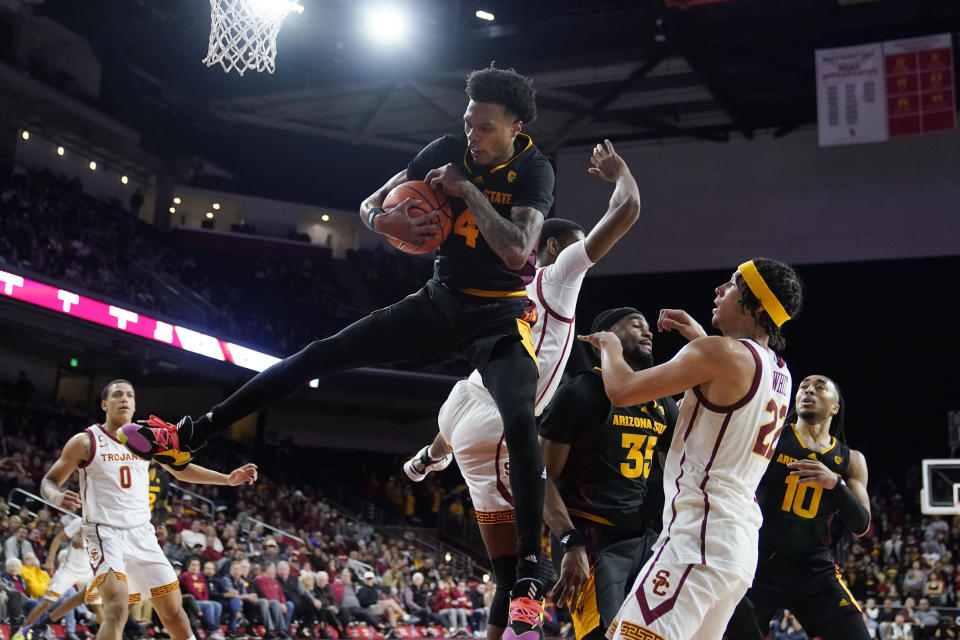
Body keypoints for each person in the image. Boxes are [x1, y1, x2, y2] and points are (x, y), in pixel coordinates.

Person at [121, 64, 555, 640]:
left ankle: (528, 572)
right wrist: (392, 220)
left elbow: (516, 249)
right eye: (469, 122)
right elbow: (370, 203)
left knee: (519, 419)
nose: (472, 134)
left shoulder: (534, 168)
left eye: (485, 127)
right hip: (439, 299)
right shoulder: (447, 148)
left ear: (515, 126)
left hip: (499, 314)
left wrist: (467, 190)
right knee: (316, 355)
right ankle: (191, 433)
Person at [403, 139, 642, 639]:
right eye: (576, 246)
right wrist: (620, 174)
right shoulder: (557, 275)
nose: (584, 257)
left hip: (461, 405)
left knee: (503, 569)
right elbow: (626, 211)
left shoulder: (506, 285)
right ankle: (552, 571)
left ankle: (427, 459)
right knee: (518, 573)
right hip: (494, 423)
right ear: (554, 247)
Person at [580, 258, 803, 639]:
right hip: (735, 548)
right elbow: (721, 393)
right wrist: (700, 339)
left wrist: (610, 345)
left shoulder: (720, 354)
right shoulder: (780, 370)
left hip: (697, 541)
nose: (718, 290)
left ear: (757, 305)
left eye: (732, 284)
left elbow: (622, 390)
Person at [39, 379, 258, 640]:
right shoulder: (85, 441)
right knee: (117, 609)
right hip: (104, 533)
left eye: (130, 395)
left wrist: (226, 479)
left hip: (142, 534)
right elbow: (48, 481)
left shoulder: (145, 437)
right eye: (117, 395)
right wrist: (55, 496)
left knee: (175, 614)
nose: (124, 399)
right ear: (104, 404)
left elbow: (180, 468)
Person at [539, 308, 677, 640]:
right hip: (589, 538)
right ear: (605, 338)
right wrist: (570, 543)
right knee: (601, 634)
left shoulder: (661, 401)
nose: (648, 332)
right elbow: (539, 479)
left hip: (641, 537)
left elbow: (680, 472)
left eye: (648, 326)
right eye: (636, 325)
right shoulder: (580, 392)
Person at [728, 374, 872, 640]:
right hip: (758, 563)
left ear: (835, 407)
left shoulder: (851, 460)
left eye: (820, 387)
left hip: (813, 570)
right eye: (804, 386)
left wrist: (835, 483)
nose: (809, 390)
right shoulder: (770, 439)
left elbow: (861, 525)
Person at [13, 517, 103, 640]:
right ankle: (20, 633)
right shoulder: (80, 521)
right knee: (45, 603)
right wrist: (50, 560)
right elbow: (58, 538)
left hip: (88, 571)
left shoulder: (107, 527)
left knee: (97, 607)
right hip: (69, 569)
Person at [179, 557, 225, 640]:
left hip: (201, 601)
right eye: (193, 565)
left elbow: (205, 591)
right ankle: (211, 631)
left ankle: (216, 628)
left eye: (197, 565)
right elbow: (192, 591)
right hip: (191, 601)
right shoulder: (185, 576)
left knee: (217, 605)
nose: (195, 567)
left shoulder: (200, 577)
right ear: (188, 566)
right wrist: (204, 601)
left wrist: (206, 599)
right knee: (209, 606)